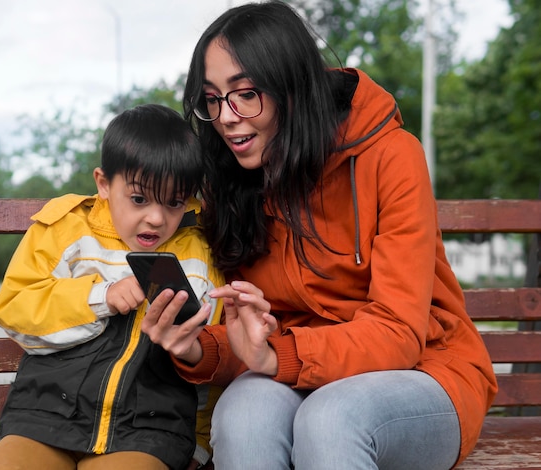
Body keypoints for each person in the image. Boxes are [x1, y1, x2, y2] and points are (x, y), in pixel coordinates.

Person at [139, 2, 498, 469]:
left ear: (290, 87)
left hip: (425, 371)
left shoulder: (391, 156)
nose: (226, 116)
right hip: (301, 371)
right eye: (211, 99)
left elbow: (398, 332)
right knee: (243, 415)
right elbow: (255, 342)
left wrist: (275, 355)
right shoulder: (232, 185)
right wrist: (197, 348)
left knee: (332, 418)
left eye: (245, 93)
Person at [0, 104, 224, 470]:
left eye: (174, 202)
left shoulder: (199, 255)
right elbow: (15, 308)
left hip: (149, 434)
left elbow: (212, 357)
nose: (156, 218)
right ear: (104, 183)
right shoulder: (64, 229)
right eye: (139, 199)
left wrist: (199, 445)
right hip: (45, 421)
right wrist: (99, 297)